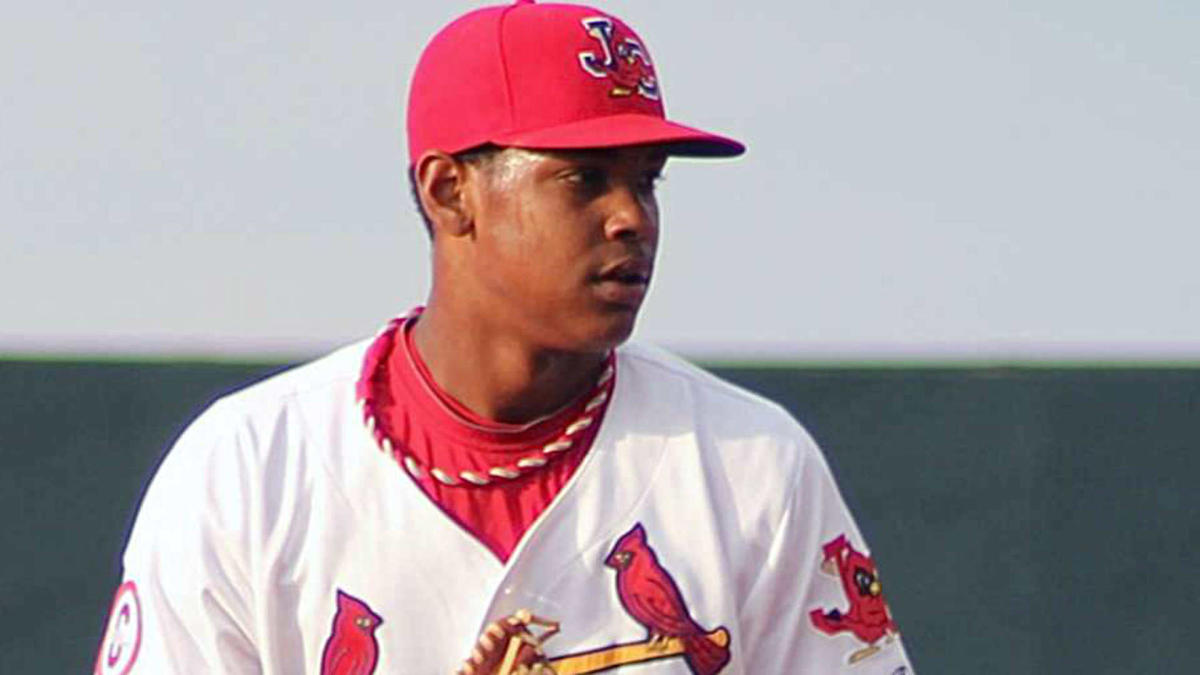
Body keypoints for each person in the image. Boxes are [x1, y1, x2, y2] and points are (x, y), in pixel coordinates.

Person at [94, 2, 914, 673]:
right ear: (451, 192)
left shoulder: (751, 464)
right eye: (584, 179)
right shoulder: (247, 471)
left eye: (646, 181)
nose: (631, 217)